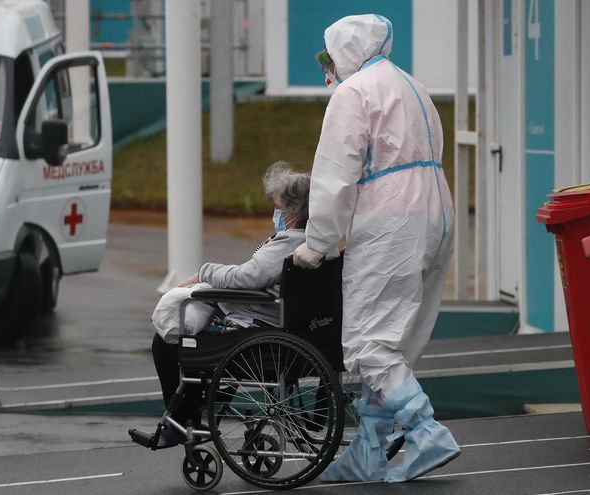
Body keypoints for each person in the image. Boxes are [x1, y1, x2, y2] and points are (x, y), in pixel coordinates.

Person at [292, 14, 459, 483]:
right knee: (399, 337)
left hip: (392, 215)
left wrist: (317, 242)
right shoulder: (413, 85)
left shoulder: (355, 92)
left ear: (346, 50)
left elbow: (335, 170)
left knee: (369, 340)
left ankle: (426, 432)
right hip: (435, 209)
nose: (327, 67)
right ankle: (370, 448)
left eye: (329, 55)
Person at [144, 162, 310, 448]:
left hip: (261, 326)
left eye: (278, 205)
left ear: (292, 211)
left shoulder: (289, 243)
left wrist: (204, 273)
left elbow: (247, 277)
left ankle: (181, 420)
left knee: (169, 342)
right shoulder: (318, 242)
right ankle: (191, 413)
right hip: (288, 326)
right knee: (199, 343)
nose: (275, 211)